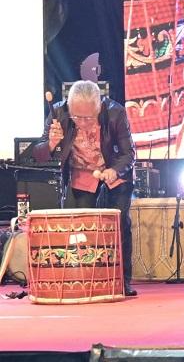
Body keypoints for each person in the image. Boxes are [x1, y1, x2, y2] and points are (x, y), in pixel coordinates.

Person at [33, 80, 137, 296]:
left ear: (99, 106)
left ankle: (122, 281)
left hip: (113, 170)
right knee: (86, 229)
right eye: (76, 117)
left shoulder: (115, 113)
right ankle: (90, 278)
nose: (81, 122)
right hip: (82, 173)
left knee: (119, 225)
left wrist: (114, 170)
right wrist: (51, 144)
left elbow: (129, 153)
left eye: (88, 117)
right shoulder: (59, 113)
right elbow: (38, 154)